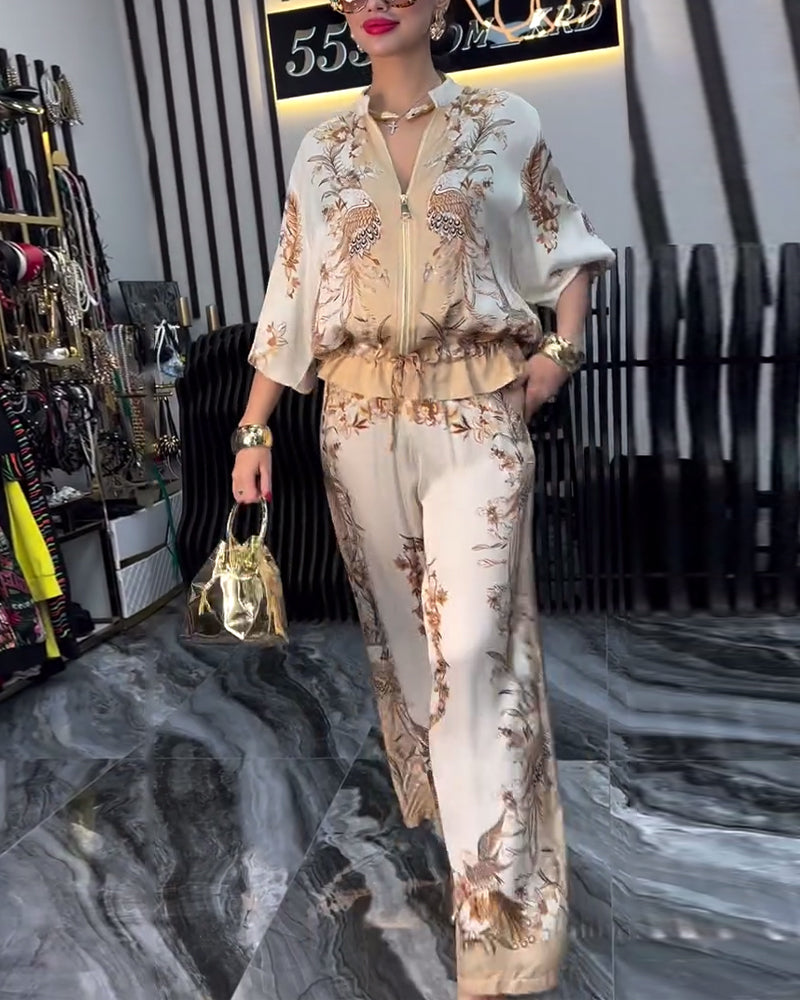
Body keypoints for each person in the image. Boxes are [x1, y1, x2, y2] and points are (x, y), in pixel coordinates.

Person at [231, 0, 614, 993]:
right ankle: (464, 826)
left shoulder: (505, 122)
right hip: (356, 426)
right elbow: (288, 297)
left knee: (478, 652)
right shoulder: (321, 151)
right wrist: (253, 427)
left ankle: (505, 929)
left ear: (441, 5)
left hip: (475, 414)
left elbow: (568, 247)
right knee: (412, 655)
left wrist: (558, 355)